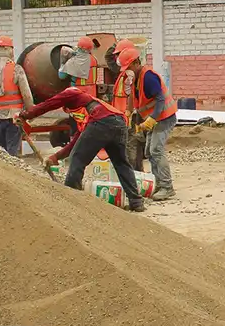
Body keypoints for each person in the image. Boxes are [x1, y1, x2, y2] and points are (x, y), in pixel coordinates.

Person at [17, 87, 145, 213]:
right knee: (121, 164)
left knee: (77, 159)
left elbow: (49, 104)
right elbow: (75, 143)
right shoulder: (89, 109)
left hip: (102, 122)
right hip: (119, 123)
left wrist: (26, 115)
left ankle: (72, 199)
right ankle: (136, 202)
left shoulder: (71, 93)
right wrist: (55, 157)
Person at [117, 47, 176, 201]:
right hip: (154, 119)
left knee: (156, 150)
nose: (127, 71)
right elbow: (134, 98)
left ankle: (167, 187)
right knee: (149, 152)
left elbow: (160, 99)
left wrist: (153, 118)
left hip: (164, 117)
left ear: (136, 63)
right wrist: (129, 113)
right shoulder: (135, 78)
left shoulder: (148, 77)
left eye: (128, 67)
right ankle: (159, 184)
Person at [0, 35, 35, 156]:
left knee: (0, 152)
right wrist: (31, 112)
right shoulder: (16, 69)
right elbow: (26, 95)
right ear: (9, 50)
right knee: (12, 152)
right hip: (14, 117)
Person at [110, 39, 143, 171]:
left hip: (129, 115)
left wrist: (129, 113)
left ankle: (133, 174)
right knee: (130, 145)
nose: (116, 58)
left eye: (118, 54)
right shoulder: (126, 72)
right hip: (124, 115)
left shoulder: (130, 74)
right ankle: (135, 173)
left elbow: (131, 95)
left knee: (130, 145)